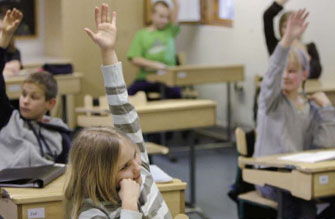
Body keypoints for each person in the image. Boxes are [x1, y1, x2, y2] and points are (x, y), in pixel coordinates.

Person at [64, 4, 171, 218]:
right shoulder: (92, 213)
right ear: (98, 175)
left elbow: (122, 106)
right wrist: (129, 205)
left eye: (135, 157)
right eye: (124, 166)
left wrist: (108, 51)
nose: (137, 167)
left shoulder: (140, 173)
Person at [254, 9, 335, 219]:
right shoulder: (270, 102)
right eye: (284, 71)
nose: (285, 76)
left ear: (304, 74)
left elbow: (325, 145)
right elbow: (272, 73)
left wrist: (327, 109)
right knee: (299, 198)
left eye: (292, 71)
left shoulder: (311, 107)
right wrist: (287, 40)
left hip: (302, 174)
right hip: (271, 176)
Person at [0, 8, 71, 170]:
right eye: (23, 95)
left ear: (50, 103)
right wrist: (4, 37)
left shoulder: (60, 133)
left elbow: (66, 171)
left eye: (34, 97)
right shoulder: (7, 119)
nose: (25, 101)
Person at [127, 0, 181, 99]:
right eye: (161, 16)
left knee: (176, 94)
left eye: (167, 17)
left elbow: (177, 6)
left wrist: (175, 2)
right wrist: (156, 65)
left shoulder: (170, 30)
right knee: (127, 96)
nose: (164, 21)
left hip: (168, 79)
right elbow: (135, 59)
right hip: (146, 78)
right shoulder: (142, 34)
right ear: (152, 15)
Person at [263, 0, 322, 79]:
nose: (289, 30)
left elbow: (316, 73)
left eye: (293, 26)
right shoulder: (276, 46)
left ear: (301, 28)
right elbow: (267, 16)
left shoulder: (310, 47)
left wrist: (302, 51)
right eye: (285, 26)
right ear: (280, 29)